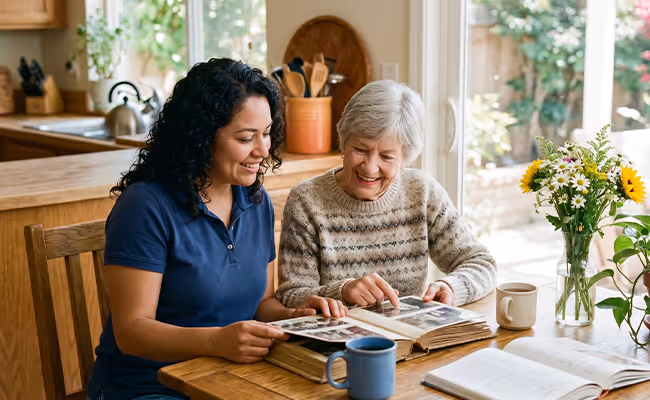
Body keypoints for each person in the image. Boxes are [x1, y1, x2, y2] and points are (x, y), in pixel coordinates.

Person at [86, 58, 346, 400]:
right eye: (245, 137)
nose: (263, 150)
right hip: (147, 387)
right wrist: (215, 340)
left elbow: (261, 303)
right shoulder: (146, 206)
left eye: (267, 133)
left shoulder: (256, 202)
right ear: (202, 137)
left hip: (225, 378)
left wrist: (293, 317)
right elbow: (132, 332)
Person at [275, 79, 497, 310]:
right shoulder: (306, 201)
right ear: (343, 142)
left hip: (409, 340)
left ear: (404, 158)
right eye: (360, 149)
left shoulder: (422, 192)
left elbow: (481, 263)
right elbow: (290, 295)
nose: (370, 167)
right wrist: (342, 291)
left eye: (387, 157)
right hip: (337, 343)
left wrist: (452, 287)